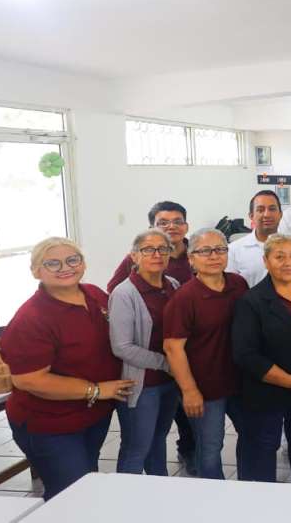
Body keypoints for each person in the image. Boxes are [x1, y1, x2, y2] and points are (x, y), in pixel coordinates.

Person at [0, 238, 133, 500]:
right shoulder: (31, 318)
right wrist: (96, 390)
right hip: (50, 423)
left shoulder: (94, 295)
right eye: (52, 263)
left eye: (73, 259)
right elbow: (29, 380)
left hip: (92, 414)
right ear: (36, 271)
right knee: (70, 495)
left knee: (87, 481)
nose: (65, 268)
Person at [106, 200, 198, 473]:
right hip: (142, 384)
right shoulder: (125, 293)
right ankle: (128, 495)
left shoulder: (173, 285)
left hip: (168, 382)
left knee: (158, 441)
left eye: (162, 249)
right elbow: (122, 347)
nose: (156, 255)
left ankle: (159, 489)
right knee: (136, 448)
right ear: (134, 256)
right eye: (148, 250)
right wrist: (166, 363)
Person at [231, 234, 291, 484]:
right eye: (279, 257)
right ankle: (269, 498)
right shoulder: (251, 301)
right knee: (266, 445)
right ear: (266, 261)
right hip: (267, 390)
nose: (288, 263)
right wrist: (289, 381)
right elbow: (245, 353)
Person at [163, 228, 250, 480]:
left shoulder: (238, 284)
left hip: (240, 382)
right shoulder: (184, 298)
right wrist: (189, 390)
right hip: (205, 388)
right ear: (191, 259)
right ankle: (214, 495)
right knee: (210, 447)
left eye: (220, 249)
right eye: (205, 251)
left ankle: (249, 487)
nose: (214, 256)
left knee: (251, 436)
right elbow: (173, 348)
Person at [107, 201, 192, 292]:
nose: (172, 227)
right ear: (151, 229)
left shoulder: (198, 253)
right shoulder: (138, 257)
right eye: (163, 223)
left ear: (186, 227)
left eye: (178, 222)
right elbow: (113, 290)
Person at [228, 190, 283, 287]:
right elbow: (231, 288)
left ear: (280, 214)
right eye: (260, 210)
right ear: (251, 216)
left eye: (272, 209)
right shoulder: (233, 250)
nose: (267, 214)